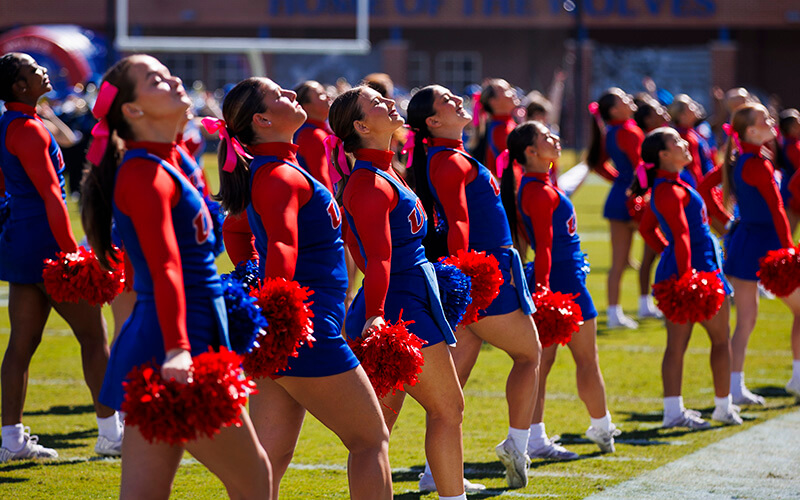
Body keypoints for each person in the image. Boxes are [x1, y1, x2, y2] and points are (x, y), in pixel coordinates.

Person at [80, 54, 271, 498]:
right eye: (155, 80)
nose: (174, 81)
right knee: (254, 478)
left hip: (175, 334)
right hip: (176, 342)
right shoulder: (145, 172)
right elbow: (165, 265)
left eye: (168, 74)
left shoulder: (170, 162)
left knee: (146, 492)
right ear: (132, 110)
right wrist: (179, 351)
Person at [212, 77, 392, 500]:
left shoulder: (274, 169)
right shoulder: (276, 174)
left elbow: (239, 229)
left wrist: (266, 314)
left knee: (269, 459)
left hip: (288, 331)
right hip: (307, 330)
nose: (291, 95)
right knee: (370, 440)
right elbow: (280, 246)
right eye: (280, 95)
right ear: (261, 119)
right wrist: (278, 317)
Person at [330, 86, 470, 498]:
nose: (390, 103)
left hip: (403, 299)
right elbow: (375, 257)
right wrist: (376, 315)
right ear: (360, 126)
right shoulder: (369, 181)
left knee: (377, 432)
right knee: (446, 410)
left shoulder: (385, 171)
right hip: (398, 309)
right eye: (377, 104)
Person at [408, 85, 540, 488]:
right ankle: (518, 444)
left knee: (451, 391)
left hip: (482, 269)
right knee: (529, 354)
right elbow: (458, 224)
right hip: (481, 272)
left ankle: (436, 474)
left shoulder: (452, 156)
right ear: (433, 121)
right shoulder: (447, 160)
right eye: (447, 101)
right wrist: (466, 279)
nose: (458, 101)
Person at [0, 52, 122, 462]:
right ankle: (110, 433)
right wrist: (73, 252)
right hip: (47, 244)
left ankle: (12, 440)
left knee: (22, 342)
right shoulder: (31, 130)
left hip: (20, 240)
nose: (44, 72)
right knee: (94, 337)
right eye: (35, 70)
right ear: (19, 87)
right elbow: (53, 193)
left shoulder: (8, 125)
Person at [503, 120, 618, 458]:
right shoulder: (537, 190)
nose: (556, 139)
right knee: (582, 360)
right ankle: (598, 427)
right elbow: (546, 248)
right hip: (560, 281)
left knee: (548, 364)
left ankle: (566, 433)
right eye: (546, 137)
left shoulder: (541, 184)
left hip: (562, 278)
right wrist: (543, 293)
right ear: (531, 151)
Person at [636, 127, 741, 428]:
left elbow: (647, 229)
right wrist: (687, 280)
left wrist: (666, 254)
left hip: (690, 270)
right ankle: (710, 409)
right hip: (694, 274)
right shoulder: (669, 190)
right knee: (717, 341)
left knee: (688, 344)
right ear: (663, 155)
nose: (685, 144)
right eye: (677, 142)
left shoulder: (671, 185)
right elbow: (680, 236)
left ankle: (684, 411)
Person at [721, 103, 800, 405]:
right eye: (764, 119)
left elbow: (706, 185)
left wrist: (726, 220)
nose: (771, 121)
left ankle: (735, 388)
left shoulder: (744, 158)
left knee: (745, 320)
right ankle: (795, 378)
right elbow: (778, 209)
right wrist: (789, 248)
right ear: (751, 131)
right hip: (765, 245)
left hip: (746, 241)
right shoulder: (756, 162)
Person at [586, 88, 648, 328]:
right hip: (635, 199)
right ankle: (639, 306)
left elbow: (598, 164)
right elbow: (640, 166)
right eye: (623, 99)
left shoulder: (610, 131)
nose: (629, 99)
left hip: (620, 197)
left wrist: (620, 181)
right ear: (613, 110)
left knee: (620, 261)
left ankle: (616, 313)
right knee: (656, 251)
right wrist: (631, 183)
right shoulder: (629, 130)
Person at [293, 80, 334, 192]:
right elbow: (322, 178)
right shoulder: (312, 135)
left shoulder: (308, 130)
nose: (328, 96)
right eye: (320, 95)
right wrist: (331, 207)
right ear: (305, 107)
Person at [477, 79, 519, 177]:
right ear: (493, 102)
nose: (513, 92)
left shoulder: (506, 125)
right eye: (507, 90)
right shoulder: (500, 130)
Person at [777, 108, 800, 233]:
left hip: (790, 191)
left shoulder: (790, 144)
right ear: (791, 128)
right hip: (792, 194)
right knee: (789, 232)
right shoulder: (792, 147)